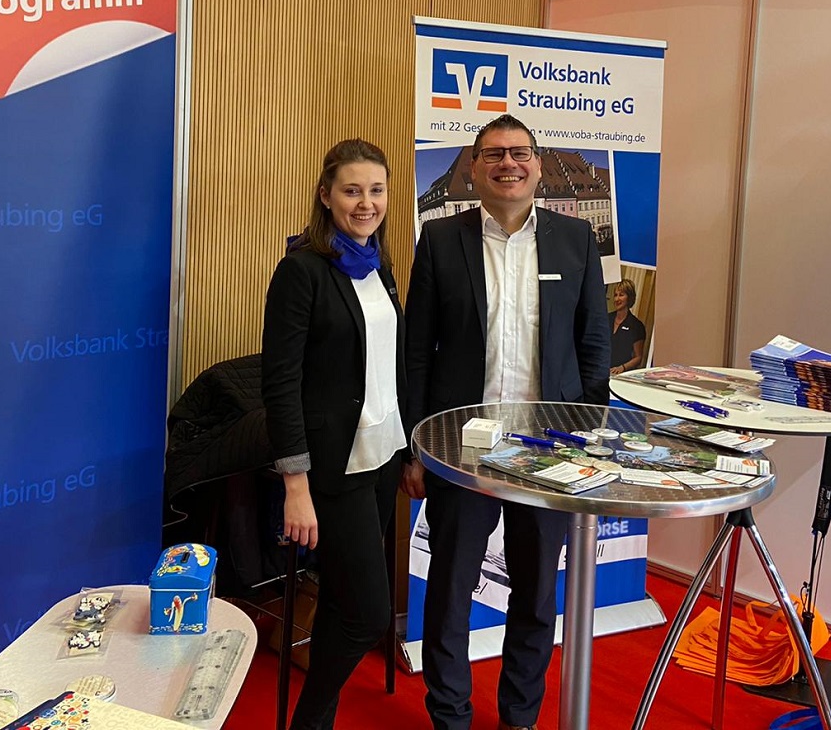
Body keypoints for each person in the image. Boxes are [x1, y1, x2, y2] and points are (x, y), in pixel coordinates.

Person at [403, 115, 610, 730]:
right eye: (493, 154)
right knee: (449, 591)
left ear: (539, 165)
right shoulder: (441, 240)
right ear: (474, 166)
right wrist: (416, 447)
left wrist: (588, 437)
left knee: (537, 593)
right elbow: (417, 353)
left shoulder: (576, 240)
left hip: (550, 449)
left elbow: (593, 345)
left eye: (519, 153)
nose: (507, 164)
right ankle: (450, 716)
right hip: (460, 450)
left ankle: (519, 717)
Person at [261, 138, 411, 730]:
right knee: (368, 614)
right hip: (334, 466)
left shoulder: (381, 266)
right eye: (352, 190)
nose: (366, 203)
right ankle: (308, 720)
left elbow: (390, 366)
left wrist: (410, 450)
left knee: (343, 600)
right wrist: (295, 485)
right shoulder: (301, 271)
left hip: (383, 456)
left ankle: (314, 724)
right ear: (326, 196)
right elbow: (281, 384)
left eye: (376, 190)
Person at [609, 278, 647, 375]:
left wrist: (622, 367)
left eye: (621, 295)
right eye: (615, 295)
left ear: (629, 297)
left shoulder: (636, 326)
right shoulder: (606, 319)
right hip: (601, 370)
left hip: (621, 374)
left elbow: (638, 357)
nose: (617, 299)